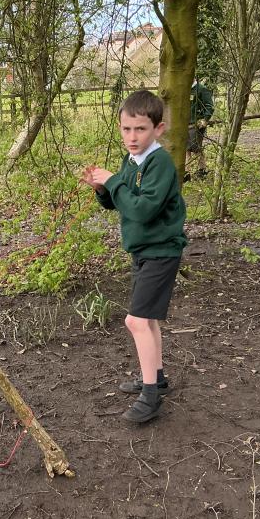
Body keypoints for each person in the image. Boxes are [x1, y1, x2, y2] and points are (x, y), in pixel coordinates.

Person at [81, 90, 187, 423]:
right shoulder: (131, 160)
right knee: (148, 319)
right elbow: (121, 201)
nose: (132, 137)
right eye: (127, 129)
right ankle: (157, 377)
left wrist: (114, 182)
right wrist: (103, 190)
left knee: (136, 321)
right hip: (143, 250)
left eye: (140, 129)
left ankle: (151, 397)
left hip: (161, 250)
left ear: (158, 129)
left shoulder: (160, 163)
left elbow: (142, 210)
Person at [186, 78, 214, 180]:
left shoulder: (202, 89)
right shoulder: (184, 89)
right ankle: (186, 172)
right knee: (186, 148)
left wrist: (205, 119)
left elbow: (209, 106)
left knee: (196, 147)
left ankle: (202, 170)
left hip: (196, 124)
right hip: (184, 123)